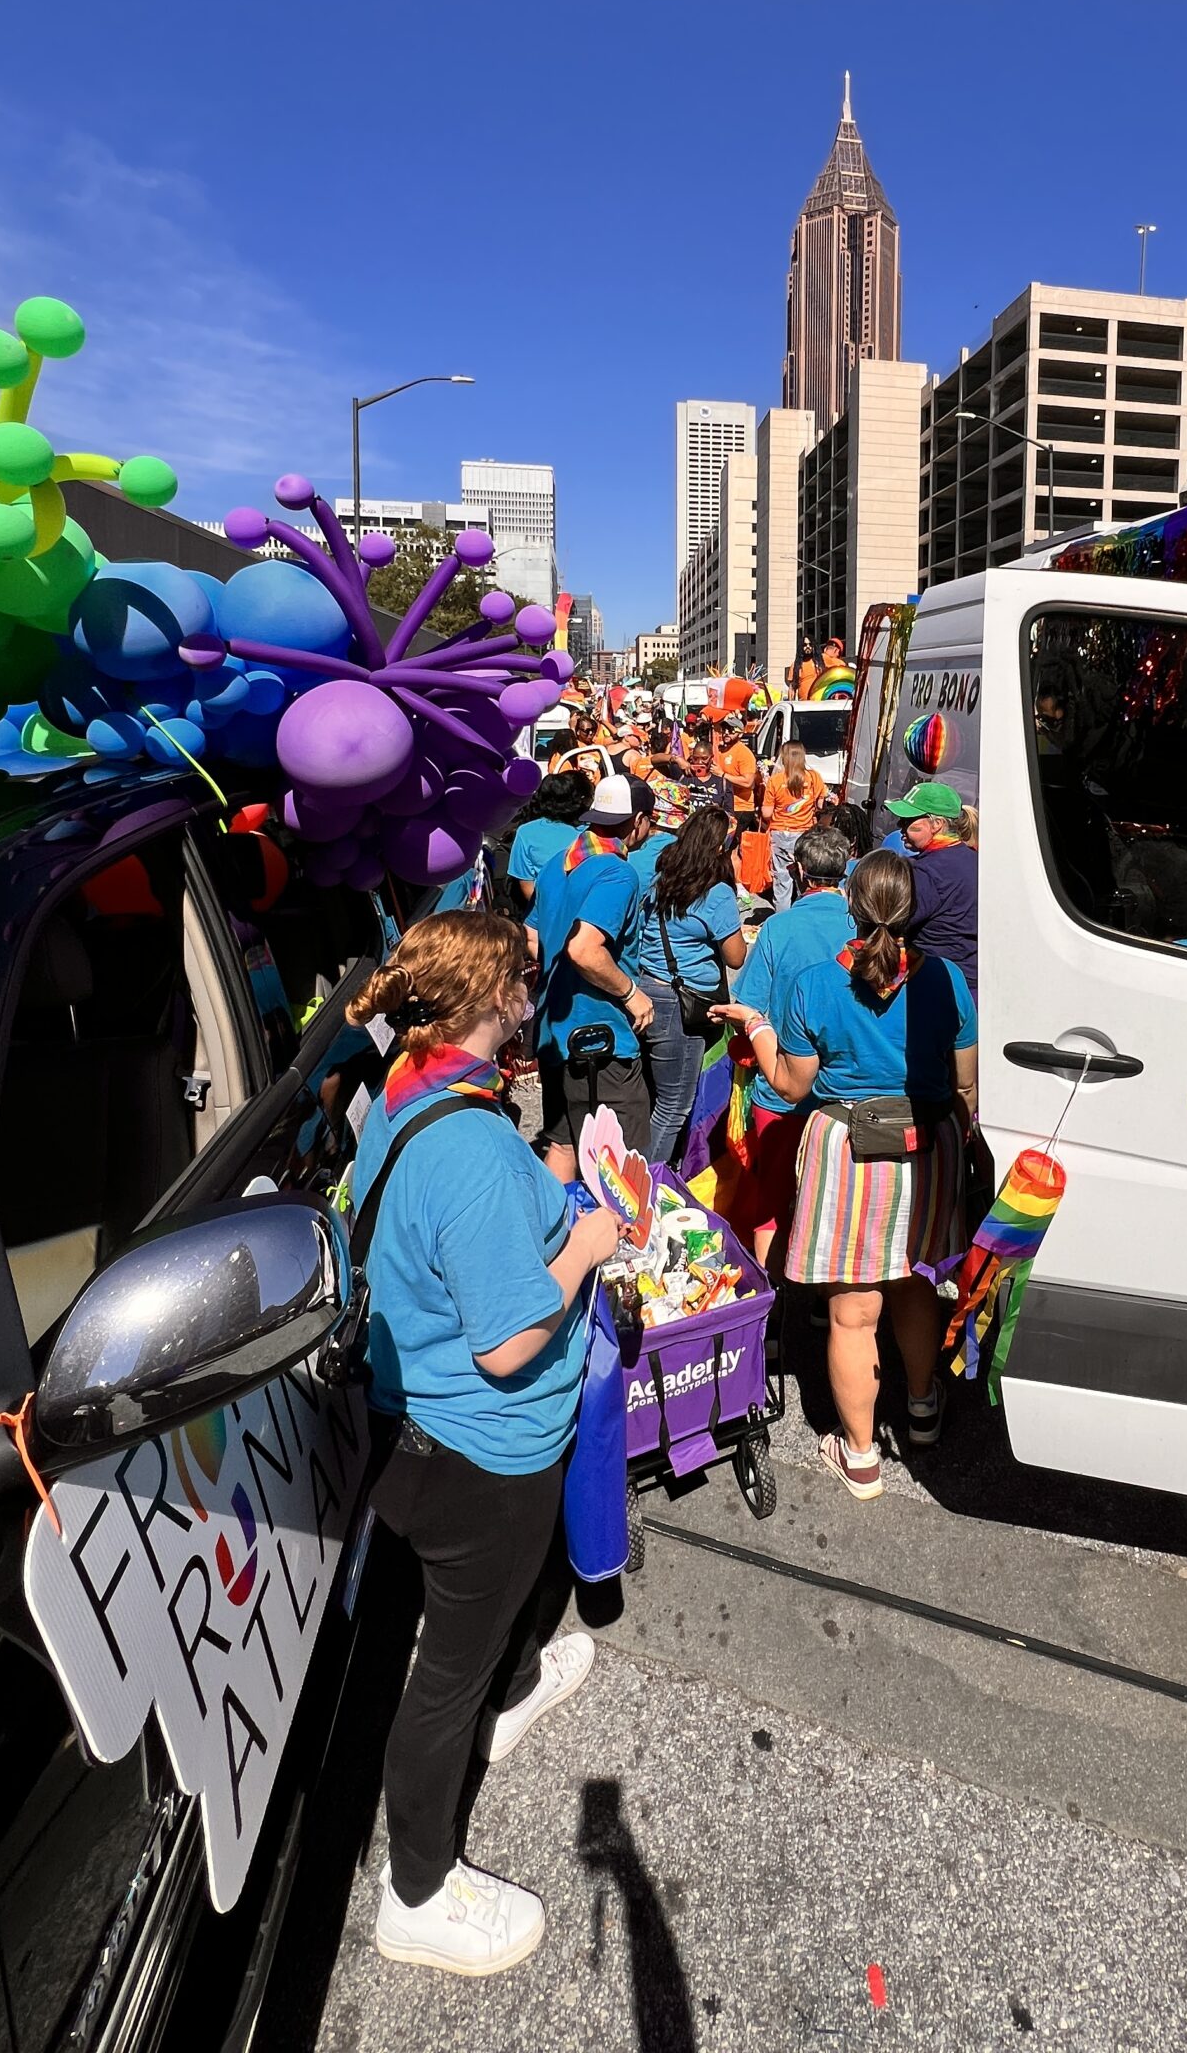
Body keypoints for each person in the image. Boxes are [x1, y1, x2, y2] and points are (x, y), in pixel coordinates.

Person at [351, 911, 625, 1976]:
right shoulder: (466, 1146)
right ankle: (416, 1890)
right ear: (485, 1000)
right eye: (520, 975)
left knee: (494, 1621)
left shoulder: (414, 1084)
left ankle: (511, 1694)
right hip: (479, 1450)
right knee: (443, 1677)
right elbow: (511, 1342)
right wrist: (590, 1239)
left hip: (420, 1418)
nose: (532, 985)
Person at [715, 851, 976, 1500]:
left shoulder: (813, 984)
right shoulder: (947, 979)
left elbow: (787, 1083)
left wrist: (758, 1025)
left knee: (854, 1310)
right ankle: (920, 1407)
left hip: (847, 1147)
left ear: (851, 908)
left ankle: (860, 1458)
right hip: (926, 1140)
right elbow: (965, 1080)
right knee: (916, 1283)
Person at [722, 822, 854, 1262]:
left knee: (772, 1199)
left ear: (797, 871)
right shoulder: (862, 927)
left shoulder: (779, 929)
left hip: (782, 1093)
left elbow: (750, 1006)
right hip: (845, 1093)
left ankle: (770, 1300)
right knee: (836, 1204)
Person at [527, 775, 657, 1174]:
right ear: (636, 822)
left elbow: (532, 938)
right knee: (626, 1163)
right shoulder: (617, 873)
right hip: (599, 1041)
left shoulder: (557, 864)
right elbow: (584, 949)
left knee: (564, 1144)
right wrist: (631, 992)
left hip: (554, 1033)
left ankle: (558, 1232)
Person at [633, 803, 747, 1162]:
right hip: (681, 1004)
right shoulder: (716, 894)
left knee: (656, 1093)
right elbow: (736, 957)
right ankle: (648, 1183)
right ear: (719, 849)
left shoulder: (662, 878)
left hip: (648, 986)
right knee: (674, 1104)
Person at [888, 779, 979, 994]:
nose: (900, 826)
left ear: (936, 824)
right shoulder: (974, 859)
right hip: (971, 980)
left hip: (937, 984)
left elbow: (895, 923)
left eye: (907, 820)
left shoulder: (928, 872)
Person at [505, 769, 591, 909]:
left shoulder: (526, 832)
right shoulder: (592, 831)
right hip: (586, 912)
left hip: (543, 914)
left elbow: (526, 883)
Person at [761, 738, 829, 911]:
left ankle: (782, 918)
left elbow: (766, 814)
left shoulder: (775, 781)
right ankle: (804, 912)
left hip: (780, 833)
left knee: (782, 881)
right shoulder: (814, 778)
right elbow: (821, 806)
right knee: (804, 878)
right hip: (805, 834)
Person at [715, 714, 760, 837]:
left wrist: (722, 775)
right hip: (725, 806)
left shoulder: (744, 753)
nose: (726, 733)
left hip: (741, 808)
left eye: (731, 730)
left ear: (740, 734)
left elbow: (748, 782)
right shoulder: (720, 750)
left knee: (731, 845)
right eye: (724, 729)